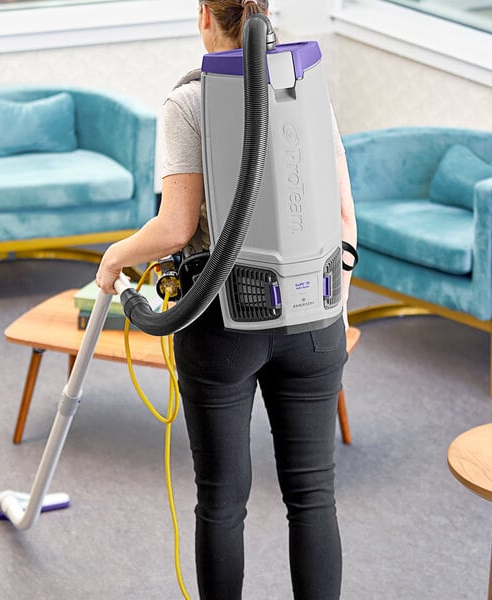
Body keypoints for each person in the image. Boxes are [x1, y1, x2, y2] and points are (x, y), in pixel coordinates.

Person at [96, 1, 357, 598]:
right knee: (314, 495)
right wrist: (326, 305)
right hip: (315, 318)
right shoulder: (309, 86)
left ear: (203, 14)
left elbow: (175, 229)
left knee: (221, 500)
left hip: (220, 320)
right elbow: (345, 219)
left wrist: (114, 256)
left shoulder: (188, 101)